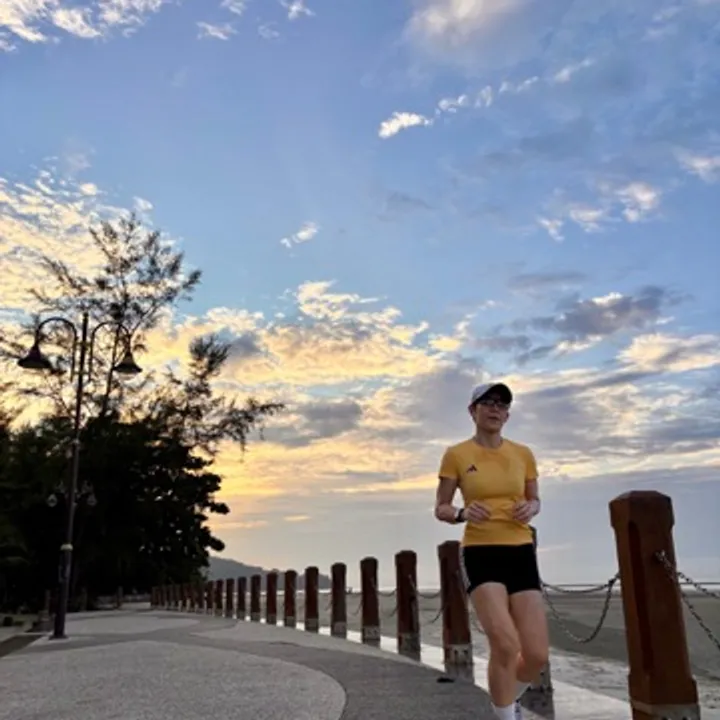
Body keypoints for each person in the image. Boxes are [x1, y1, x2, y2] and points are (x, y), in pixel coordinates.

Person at [434, 381, 548, 720]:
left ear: (508, 415)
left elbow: (535, 499)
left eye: (502, 404)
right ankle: (506, 715)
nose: (495, 408)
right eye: (488, 402)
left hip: (520, 550)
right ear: (473, 411)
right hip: (481, 552)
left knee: (537, 654)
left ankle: (504, 702)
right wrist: (462, 513)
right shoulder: (457, 455)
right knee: (505, 644)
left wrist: (532, 507)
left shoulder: (523, 454)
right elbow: (441, 507)